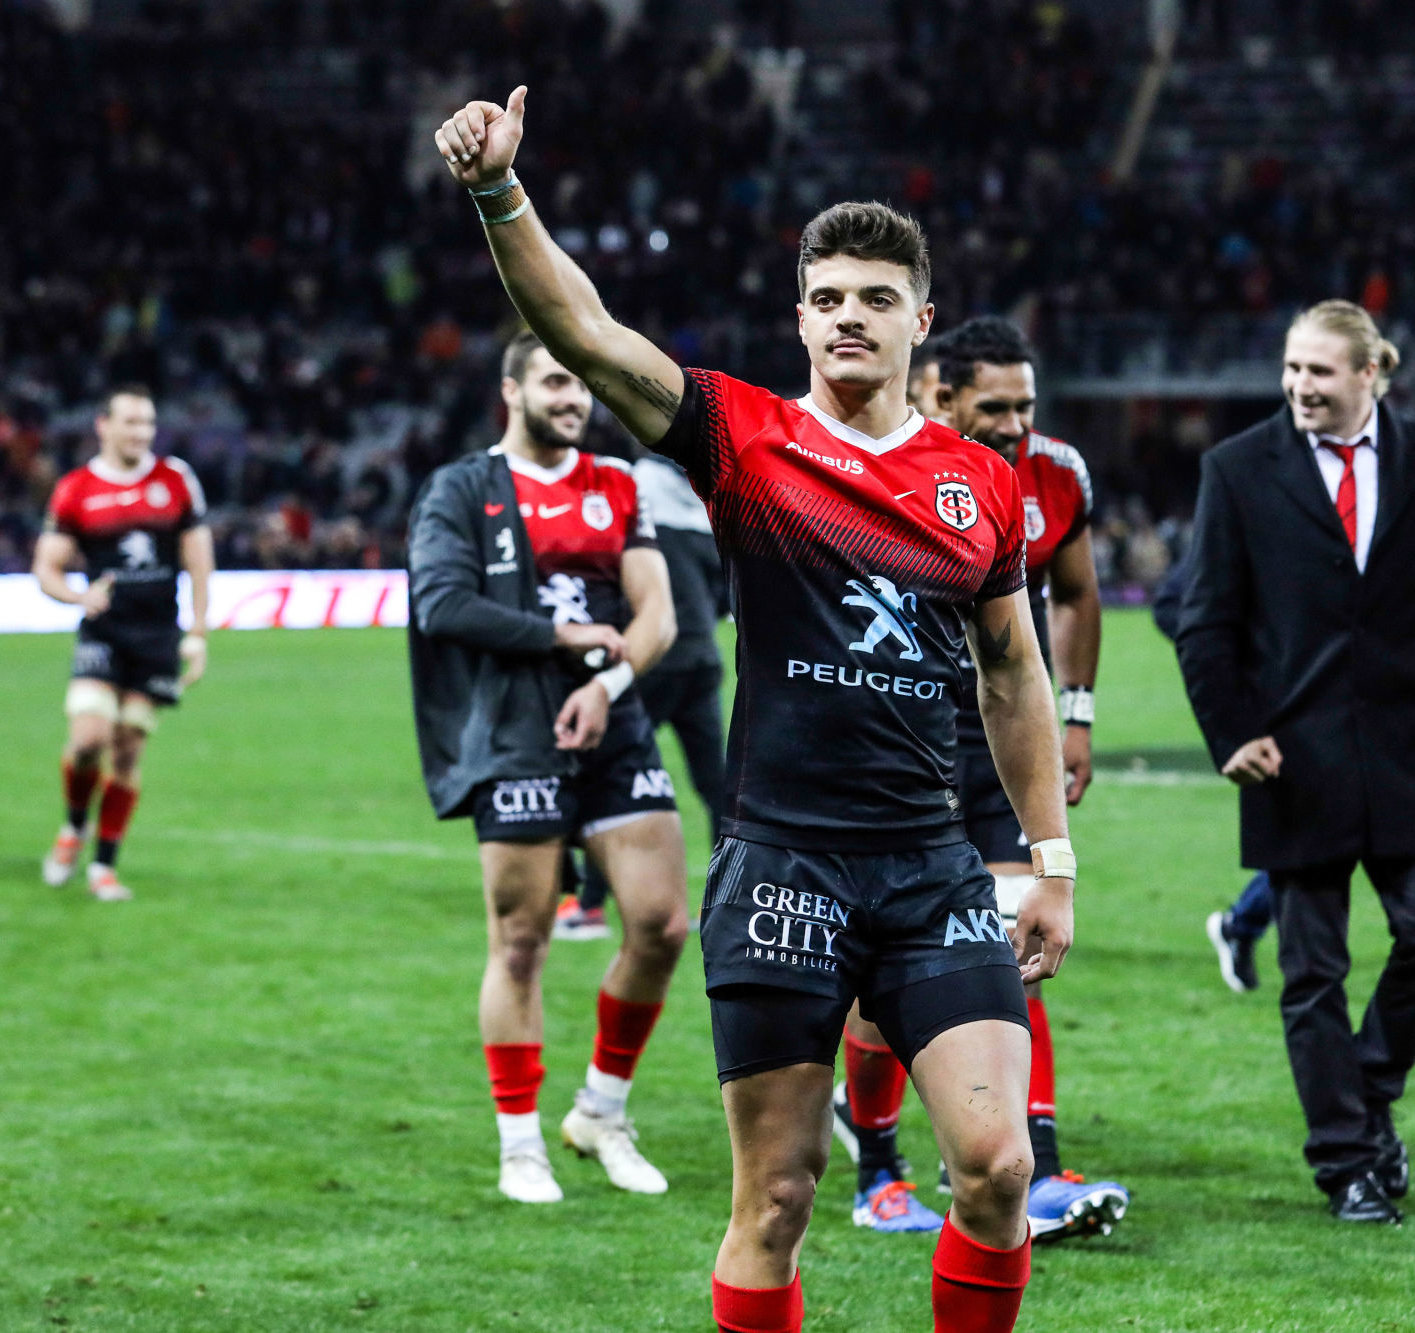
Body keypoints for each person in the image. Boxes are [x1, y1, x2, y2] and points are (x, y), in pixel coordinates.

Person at [437, 90, 1075, 1333]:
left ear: (918, 325)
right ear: (800, 319)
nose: (850, 316)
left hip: (930, 865)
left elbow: (1013, 674)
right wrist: (497, 193)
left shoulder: (981, 486)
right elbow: (581, 329)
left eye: (876, 299)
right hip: (783, 865)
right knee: (776, 1199)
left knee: (998, 1169)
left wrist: (1047, 857)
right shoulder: (747, 440)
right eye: (828, 297)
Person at [1176, 299, 1415, 1223]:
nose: (1299, 386)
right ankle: (1345, 1164)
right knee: (1312, 972)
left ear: (1371, 373)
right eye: (1291, 369)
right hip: (1291, 760)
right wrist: (1232, 731)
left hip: (1414, 751)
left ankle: (1365, 1097)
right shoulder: (1238, 469)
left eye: (1319, 372)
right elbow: (1202, 619)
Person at [829, 316, 1127, 1241]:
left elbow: (1075, 592)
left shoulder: (1054, 475)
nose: (1012, 424)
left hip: (1004, 733)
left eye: (1025, 405)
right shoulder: (880, 470)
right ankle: (875, 1160)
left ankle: (1032, 1157)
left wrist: (1073, 717)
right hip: (901, 741)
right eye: (993, 406)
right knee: (882, 992)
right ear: (939, 395)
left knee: (1010, 948)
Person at [406, 330, 689, 1204]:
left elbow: (658, 615)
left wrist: (607, 681)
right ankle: (518, 1141)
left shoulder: (615, 483)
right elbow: (441, 601)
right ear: (512, 389)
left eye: (582, 386)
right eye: (557, 382)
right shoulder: (461, 488)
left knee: (661, 924)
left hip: (613, 721)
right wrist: (562, 637)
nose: (575, 398)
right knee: (521, 940)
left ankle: (601, 1108)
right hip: (514, 734)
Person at [34, 386, 213, 902]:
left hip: (157, 635)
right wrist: (76, 595)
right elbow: (45, 567)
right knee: (89, 739)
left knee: (128, 750)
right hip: (104, 633)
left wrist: (198, 633)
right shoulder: (76, 489)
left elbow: (199, 560)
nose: (141, 433)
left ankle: (104, 868)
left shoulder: (175, 481)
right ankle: (73, 827)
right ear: (103, 425)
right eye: (131, 423)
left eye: (148, 424)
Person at [558, 444, 730, 943]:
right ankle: (723, 902)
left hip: (653, 659)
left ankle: (588, 907)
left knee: (603, 771)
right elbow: (724, 592)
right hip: (701, 659)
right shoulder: (701, 510)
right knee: (715, 784)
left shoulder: (628, 495)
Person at [1151, 542, 1275, 993]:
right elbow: (1169, 605)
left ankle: (1244, 925)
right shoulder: (1243, 508)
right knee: (1315, 836)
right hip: (1271, 709)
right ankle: (1244, 925)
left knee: (1327, 834)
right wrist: (1225, 655)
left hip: (1338, 698)